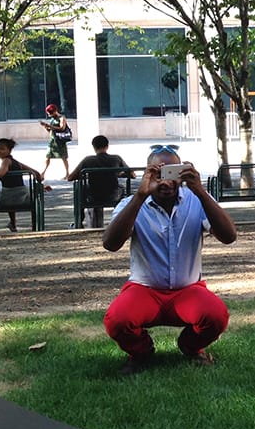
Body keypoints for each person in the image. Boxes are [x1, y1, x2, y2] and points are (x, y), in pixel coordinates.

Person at [101, 145, 237, 374]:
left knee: (216, 316)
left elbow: (229, 237)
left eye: (173, 172)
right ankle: (141, 351)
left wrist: (201, 192)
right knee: (117, 320)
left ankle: (191, 346)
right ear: (148, 173)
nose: (166, 181)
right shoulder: (131, 203)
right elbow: (111, 244)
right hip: (144, 289)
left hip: (188, 290)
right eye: (158, 173)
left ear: (183, 173)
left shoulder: (196, 200)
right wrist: (141, 195)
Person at [67, 135, 135, 227]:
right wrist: (118, 174)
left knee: (81, 189)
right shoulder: (116, 158)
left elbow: (70, 177)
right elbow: (132, 175)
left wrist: (83, 176)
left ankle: (79, 221)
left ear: (93, 147)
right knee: (122, 188)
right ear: (107, 146)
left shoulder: (88, 160)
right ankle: (123, 219)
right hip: (113, 195)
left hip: (93, 196)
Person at [0, 138, 43, 233]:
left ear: (9, 150)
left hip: (10, 196)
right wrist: (39, 181)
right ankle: (15, 223)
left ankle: (13, 222)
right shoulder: (16, 162)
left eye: (2, 149)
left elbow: (1, 173)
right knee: (6, 193)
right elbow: (35, 172)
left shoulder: (6, 161)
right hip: (22, 195)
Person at [39, 102, 71, 178]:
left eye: (50, 113)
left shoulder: (61, 118)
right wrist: (46, 127)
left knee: (64, 157)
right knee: (48, 157)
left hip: (60, 140)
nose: (49, 115)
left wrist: (49, 126)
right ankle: (43, 172)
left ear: (54, 111)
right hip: (52, 141)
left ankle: (67, 173)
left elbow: (62, 128)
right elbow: (51, 130)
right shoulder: (52, 119)